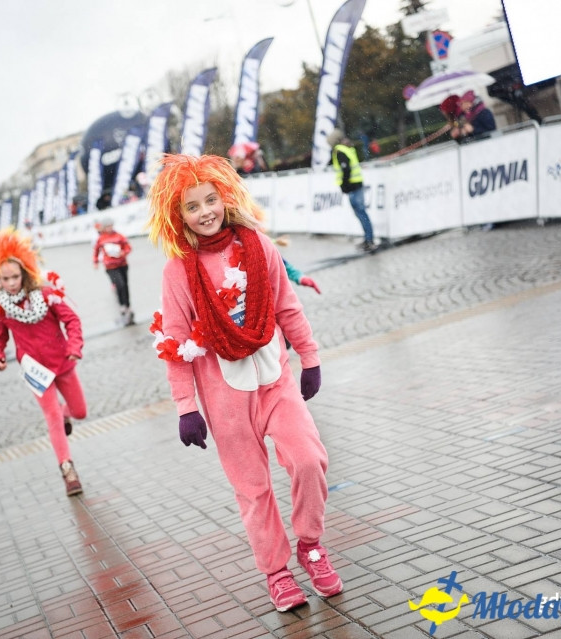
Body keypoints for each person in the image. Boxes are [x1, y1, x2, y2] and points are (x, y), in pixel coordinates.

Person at [146, 153, 342, 613]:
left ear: (226, 198)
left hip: (276, 380)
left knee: (309, 458)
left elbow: (286, 305)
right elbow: (175, 342)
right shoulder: (177, 271)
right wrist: (186, 407)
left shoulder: (259, 246)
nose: (205, 212)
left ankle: (310, 545)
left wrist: (310, 357)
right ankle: (276, 572)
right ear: (179, 215)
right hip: (224, 398)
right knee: (253, 490)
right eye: (192, 206)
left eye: (210, 200)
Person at [0, 229, 88, 496]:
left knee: (79, 412)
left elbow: (72, 320)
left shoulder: (46, 295)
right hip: (34, 370)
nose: (11, 283)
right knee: (51, 416)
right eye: (5, 278)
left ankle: (66, 414)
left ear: (25, 273)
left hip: (63, 362)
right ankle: (67, 470)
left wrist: (74, 346)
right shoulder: (1, 308)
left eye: (15, 277)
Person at [326, 129, 376, 251]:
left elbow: (346, 169)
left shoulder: (339, 151)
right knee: (361, 213)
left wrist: (344, 185)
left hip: (352, 187)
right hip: (357, 184)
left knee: (361, 213)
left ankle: (369, 241)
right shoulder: (347, 148)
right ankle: (368, 239)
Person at [92, 218, 134, 326]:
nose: (109, 228)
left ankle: (127, 305)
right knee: (120, 284)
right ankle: (122, 304)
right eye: (107, 226)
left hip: (122, 265)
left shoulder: (119, 236)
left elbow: (128, 247)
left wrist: (123, 252)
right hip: (110, 267)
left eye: (111, 226)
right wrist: (95, 262)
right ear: (104, 228)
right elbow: (96, 250)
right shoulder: (101, 239)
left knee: (125, 285)